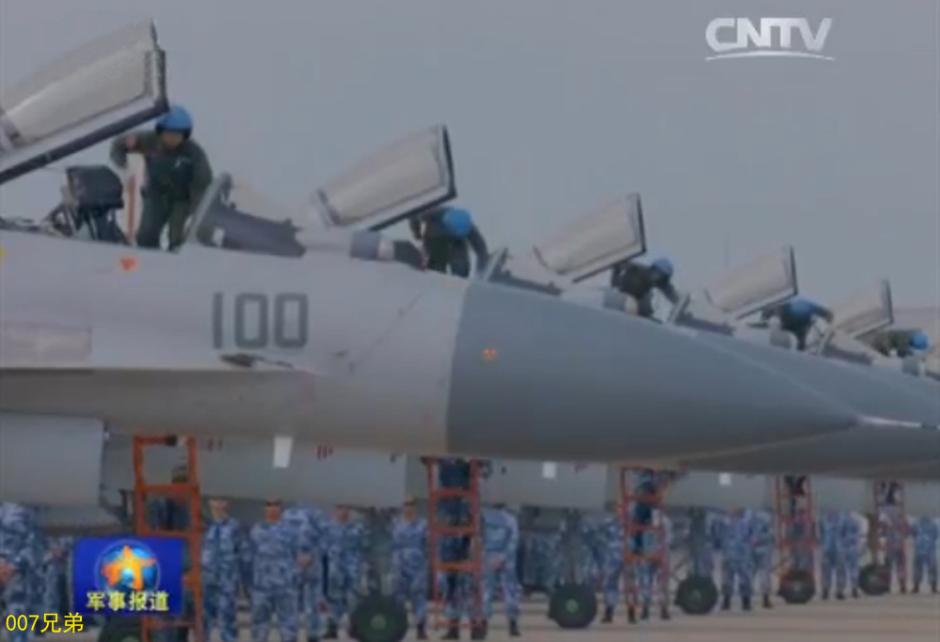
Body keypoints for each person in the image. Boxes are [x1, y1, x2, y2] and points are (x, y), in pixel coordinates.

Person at [110, 104, 213, 250]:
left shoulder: (194, 154)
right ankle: (151, 263)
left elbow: (202, 183)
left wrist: (196, 212)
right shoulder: (148, 141)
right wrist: (123, 165)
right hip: (156, 195)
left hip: (182, 200)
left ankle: (175, 263)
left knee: (177, 238)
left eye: (177, 135)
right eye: (169, 133)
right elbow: (119, 144)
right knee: (146, 235)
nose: (172, 138)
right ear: (160, 132)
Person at [247, 499, 304, 642]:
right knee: (259, 628)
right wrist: (249, 583)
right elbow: (248, 557)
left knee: (289, 627)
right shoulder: (256, 530)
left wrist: (295, 578)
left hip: (286, 587)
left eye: (276, 505)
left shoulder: (291, 531)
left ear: (281, 508)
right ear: (264, 508)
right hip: (261, 587)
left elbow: (301, 557)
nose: (272, 508)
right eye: (269, 505)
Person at [283, 504, 329, 642]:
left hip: (312, 568)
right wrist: (292, 557)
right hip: (292, 566)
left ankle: (313, 636)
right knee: (290, 606)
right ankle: (290, 636)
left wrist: (312, 555)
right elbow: (281, 539)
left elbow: (326, 539)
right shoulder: (287, 514)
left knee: (313, 606)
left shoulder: (318, 514)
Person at [202, 498, 246, 642]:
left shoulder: (234, 527)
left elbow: (243, 554)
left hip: (226, 583)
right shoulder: (205, 527)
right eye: (214, 501)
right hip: (206, 582)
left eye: (221, 501)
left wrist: (242, 582)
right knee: (203, 624)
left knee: (227, 623)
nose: (217, 505)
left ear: (226, 504)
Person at [324, 505, 368, 639]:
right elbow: (323, 548)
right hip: (335, 569)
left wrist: (363, 565)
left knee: (354, 598)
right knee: (334, 598)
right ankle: (332, 627)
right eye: (340, 508)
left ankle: (354, 627)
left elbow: (365, 546)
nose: (343, 511)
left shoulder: (357, 528)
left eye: (346, 508)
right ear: (335, 510)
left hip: (353, 569)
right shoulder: (329, 528)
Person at [0, 503, 41, 642]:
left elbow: (33, 544)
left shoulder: (20, 511)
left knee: (17, 614)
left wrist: (12, 566)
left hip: (16, 575)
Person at [409, 207, 489, 277]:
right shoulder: (434, 212)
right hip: (436, 240)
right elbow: (414, 215)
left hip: (457, 243)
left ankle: (459, 282)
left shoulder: (468, 227)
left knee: (461, 267)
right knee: (437, 271)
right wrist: (417, 233)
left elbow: (481, 250)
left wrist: (481, 272)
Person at [390, 498, 429, 639]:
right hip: (399, 564)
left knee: (418, 596)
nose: (409, 507)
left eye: (411, 504)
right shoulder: (395, 524)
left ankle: (421, 628)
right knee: (397, 597)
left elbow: (428, 545)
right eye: (406, 504)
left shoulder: (423, 525)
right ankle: (399, 627)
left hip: (417, 565)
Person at [481, 505, 522, 637]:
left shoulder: (484, 517)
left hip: (489, 556)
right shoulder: (511, 519)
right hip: (506, 559)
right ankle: (512, 625)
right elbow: (513, 541)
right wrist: (503, 557)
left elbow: (479, 538)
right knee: (510, 590)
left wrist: (486, 556)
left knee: (486, 591)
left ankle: (483, 625)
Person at [610, 257, 679, 318]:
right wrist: (617, 271)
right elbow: (619, 265)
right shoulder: (637, 270)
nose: (657, 277)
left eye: (662, 277)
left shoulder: (659, 282)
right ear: (653, 269)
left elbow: (671, 293)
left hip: (635, 303)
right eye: (657, 273)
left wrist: (680, 306)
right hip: (623, 299)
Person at [635, 510, 671, 622]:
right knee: (660, 581)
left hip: (650, 553)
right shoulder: (665, 520)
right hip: (659, 553)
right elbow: (669, 538)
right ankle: (662, 608)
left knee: (647, 581)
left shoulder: (641, 517)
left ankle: (647, 609)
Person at [716, 508, 754, 611]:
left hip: (743, 555)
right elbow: (718, 536)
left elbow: (753, 536)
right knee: (727, 580)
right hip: (729, 555)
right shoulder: (724, 523)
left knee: (745, 579)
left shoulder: (747, 522)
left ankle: (746, 602)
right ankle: (726, 601)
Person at [760, 297, 834, 350]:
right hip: (794, 317)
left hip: (796, 318)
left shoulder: (802, 309)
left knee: (800, 340)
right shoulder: (801, 308)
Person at [592, 506, 625, 623]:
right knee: (610, 583)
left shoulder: (633, 524)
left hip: (624, 556)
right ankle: (609, 610)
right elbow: (598, 539)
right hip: (614, 557)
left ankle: (638, 611)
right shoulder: (609, 524)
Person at [819, 510, 847, 600]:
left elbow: (845, 532)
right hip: (827, 547)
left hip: (839, 547)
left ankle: (840, 591)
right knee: (826, 570)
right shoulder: (822, 517)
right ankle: (825, 590)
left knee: (840, 570)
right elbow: (821, 532)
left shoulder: (843, 517)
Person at [749, 510, 775, 608]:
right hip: (759, 549)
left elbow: (770, 534)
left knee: (756, 574)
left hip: (759, 549)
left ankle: (762, 599)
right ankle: (764, 599)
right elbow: (771, 534)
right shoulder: (766, 516)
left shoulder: (749, 514)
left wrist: (755, 539)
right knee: (760, 574)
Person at [882, 508, 909, 593]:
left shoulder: (885, 515)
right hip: (897, 545)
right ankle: (902, 586)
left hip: (891, 545)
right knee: (900, 566)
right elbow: (907, 531)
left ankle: (887, 586)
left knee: (889, 567)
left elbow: (882, 530)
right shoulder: (901, 516)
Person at [910, 515, 938, 594]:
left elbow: (936, 535)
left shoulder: (934, 524)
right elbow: (913, 534)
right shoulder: (915, 523)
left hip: (929, 549)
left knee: (932, 568)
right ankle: (916, 586)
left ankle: (933, 587)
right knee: (917, 568)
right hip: (919, 548)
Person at [840, 512, 862, 598]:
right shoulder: (856, 519)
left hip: (844, 548)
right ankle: (854, 589)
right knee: (854, 569)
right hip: (853, 548)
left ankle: (841, 590)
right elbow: (858, 535)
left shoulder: (841, 519)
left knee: (842, 570)